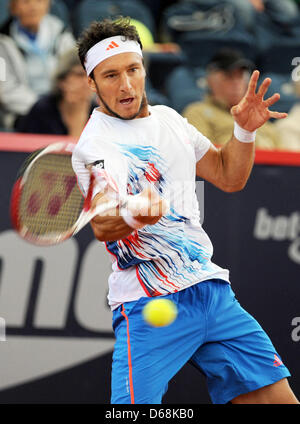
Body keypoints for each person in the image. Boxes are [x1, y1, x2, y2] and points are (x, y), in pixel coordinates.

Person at [72, 17, 299, 404]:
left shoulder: (170, 120)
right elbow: (104, 223)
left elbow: (229, 176)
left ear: (144, 68)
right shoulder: (94, 148)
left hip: (211, 291)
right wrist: (136, 212)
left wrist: (244, 132)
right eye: (110, 75)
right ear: (91, 82)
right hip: (149, 302)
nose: (125, 85)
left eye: (132, 70)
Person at [182, 48, 283, 150]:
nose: (236, 83)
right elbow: (201, 157)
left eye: (240, 76)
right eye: (229, 76)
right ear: (210, 81)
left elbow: (284, 160)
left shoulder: (261, 121)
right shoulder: (197, 112)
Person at [0, 0, 75, 129]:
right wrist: (41, 107)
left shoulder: (62, 33)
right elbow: (5, 89)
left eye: (39, 1)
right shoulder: (3, 42)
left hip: (62, 106)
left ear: (48, 5)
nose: (33, 7)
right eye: (26, 2)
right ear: (14, 8)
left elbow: (74, 71)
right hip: (24, 111)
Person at [16, 47, 96, 137]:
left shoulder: (98, 113)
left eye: (90, 75)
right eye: (79, 75)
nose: (86, 82)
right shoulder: (42, 110)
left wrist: (79, 113)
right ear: (62, 80)